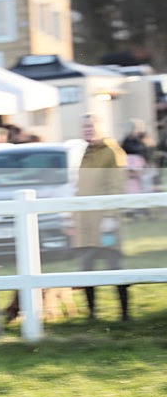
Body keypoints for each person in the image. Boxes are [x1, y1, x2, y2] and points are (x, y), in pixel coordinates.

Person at [74, 113, 130, 320]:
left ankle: (124, 314)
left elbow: (116, 186)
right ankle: (91, 314)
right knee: (86, 268)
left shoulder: (111, 152)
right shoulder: (86, 152)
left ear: (100, 127)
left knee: (114, 265)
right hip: (87, 223)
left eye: (90, 126)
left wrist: (110, 216)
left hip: (107, 224)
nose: (86, 130)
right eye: (84, 127)